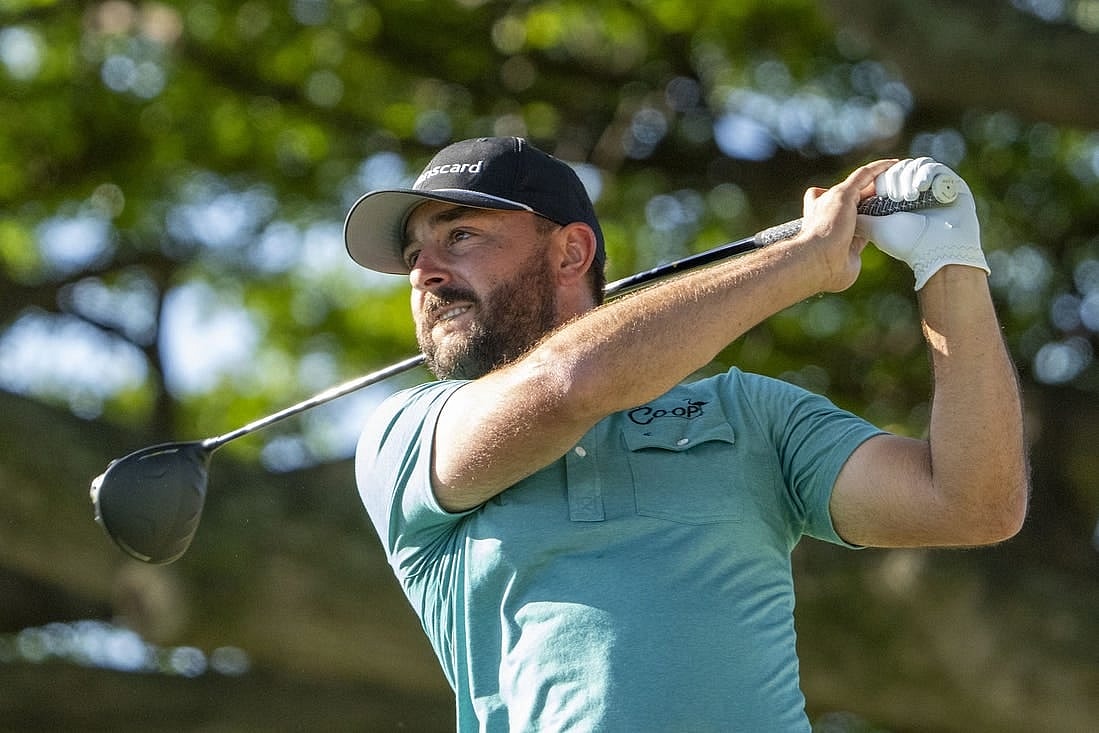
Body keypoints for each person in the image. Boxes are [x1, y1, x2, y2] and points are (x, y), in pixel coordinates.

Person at [342, 136, 1028, 731]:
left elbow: (972, 503)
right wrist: (804, 261)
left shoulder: (749, 412)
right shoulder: (405, 435)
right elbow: (569, 382)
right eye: (413, 255)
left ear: (570, 252)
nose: (425, 272)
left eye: (460, 235)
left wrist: (949, 260)